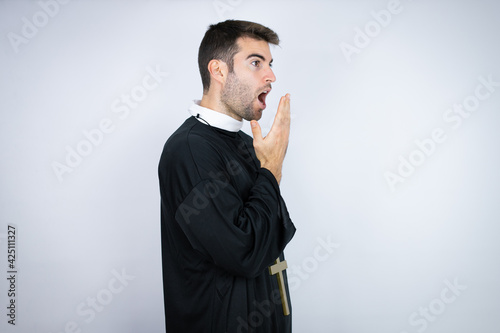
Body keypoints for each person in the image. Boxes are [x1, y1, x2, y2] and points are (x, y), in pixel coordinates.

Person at [158, 20, 296, 332]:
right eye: (256, 63)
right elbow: (245, 252)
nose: (271, 76)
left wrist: (269, 170)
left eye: (270, 64)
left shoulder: (248, 144)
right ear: (219, 71)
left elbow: (272, 231)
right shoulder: (189, 151)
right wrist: (271, 171)